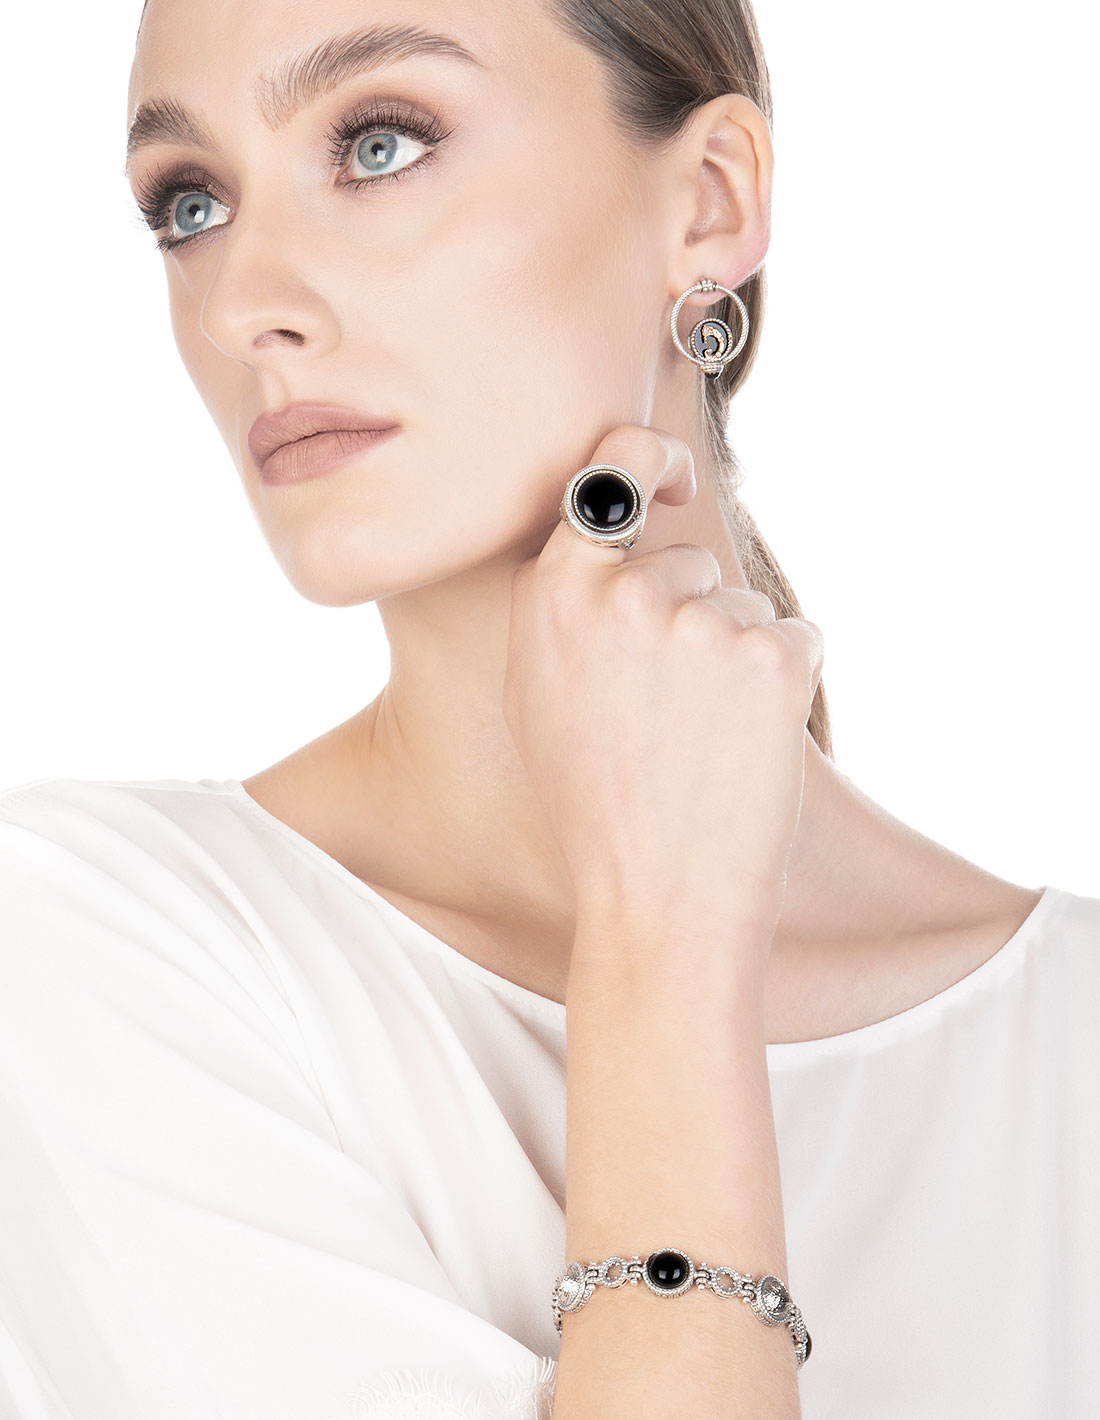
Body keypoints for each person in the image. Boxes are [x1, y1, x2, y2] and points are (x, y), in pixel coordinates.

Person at [0, 0, 1096, 1417]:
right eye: (191, 203)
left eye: (379, 143)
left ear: (709, 204)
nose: (241, 303)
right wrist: (665, 943)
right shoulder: (99, 943)